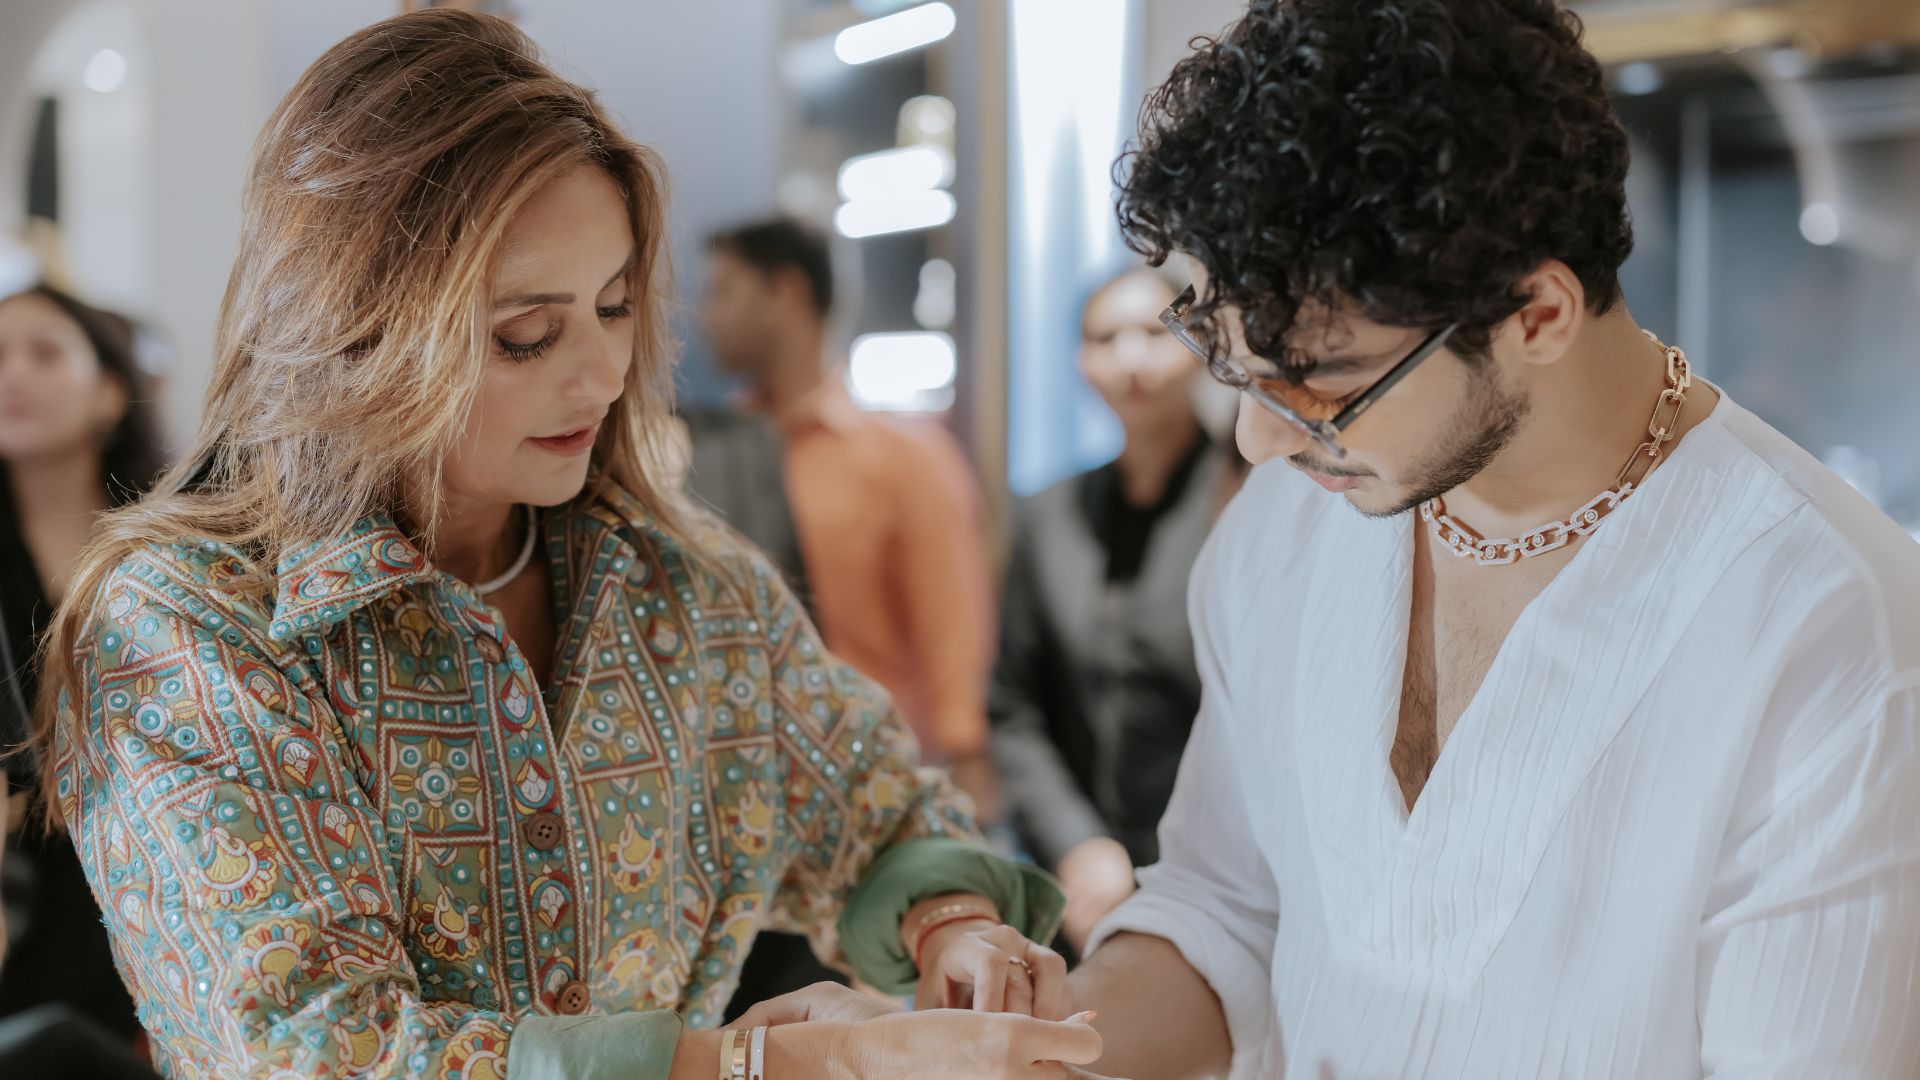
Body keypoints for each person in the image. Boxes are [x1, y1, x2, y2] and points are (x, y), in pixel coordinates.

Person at [29, 12, 1103, 1079]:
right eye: (525, 335)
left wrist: (956, 926)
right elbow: (317, 1051)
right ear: (354, 328)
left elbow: (873, 806)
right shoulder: (189, 621)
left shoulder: (680, 585)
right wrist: (754, 1064)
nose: (597, 376)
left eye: (617, 306)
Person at [1065, 1, 1920, 1077]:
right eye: (1226, 358)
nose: (1258, 439)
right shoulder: (1283, 535)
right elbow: (1227, 910)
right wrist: (1032, 1052)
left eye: (1320, 380)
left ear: (1537, 315)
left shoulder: (1837, 633)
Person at [695, 221, 1001, 814]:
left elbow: (954, 635)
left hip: (872, 792)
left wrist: (965, 782)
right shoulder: (699, 459)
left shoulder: (905, 459)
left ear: (782, 293)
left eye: (723, 291)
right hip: (733, 798)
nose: (705, 316)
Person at [990, 265, 1240, 952]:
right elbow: (1012, 707)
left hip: (1226, 875)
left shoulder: (1252, 505)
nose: (1130, 358)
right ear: (1080, 362)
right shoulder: (1048, 516)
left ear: (1204, 346)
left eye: (1153, 333)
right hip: (1081, 887)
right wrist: (1077, 844)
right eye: (1106, 338)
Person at [0, 283, 163, 1079]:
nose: (11, 374)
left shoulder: (181, 546)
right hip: (23, 892)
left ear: (107, 392)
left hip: (166, 873)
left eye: (43, 352)